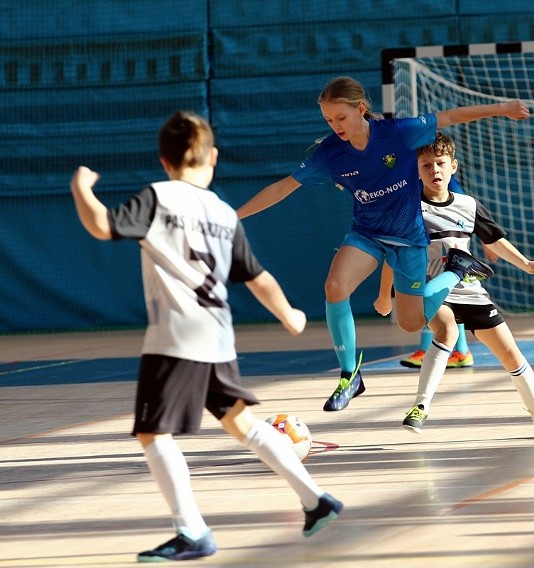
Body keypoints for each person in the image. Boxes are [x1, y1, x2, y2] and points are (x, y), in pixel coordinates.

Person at [69, 111, 342, 562]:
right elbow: (258, 277)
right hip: (216, 335)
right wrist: (289, 313)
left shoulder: (158, 197)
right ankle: (316, 500)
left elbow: (101, 225)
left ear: (164, 160)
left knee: (153, 434)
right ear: (212, 157)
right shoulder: (221, 211)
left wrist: (81, 189)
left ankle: (192, 531)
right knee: (243, 424)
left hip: (176, 336)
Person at [237, 76, 528, 412]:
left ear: (361, 108)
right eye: (328, 120)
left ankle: (455, 270)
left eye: (341, 118)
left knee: (412, 323)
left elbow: (450, 117)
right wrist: (236, 215)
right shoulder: (331, 153)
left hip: (408, 240)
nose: (335, 126)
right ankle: (351, 375)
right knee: (334, 286)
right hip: (367, 234)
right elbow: (283, 187)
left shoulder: (398, 133)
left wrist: (503, 108)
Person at [374, 132, 534, 439]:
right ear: (416, 171)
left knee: (511, 354)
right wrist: (384, 296)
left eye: (440, 163)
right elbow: (392, 256)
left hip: (471, 291)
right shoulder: (408, 210)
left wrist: (526, 264)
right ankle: (419, 407)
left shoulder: (467, 205)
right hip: (433, 289)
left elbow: (494, 240)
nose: (434, 170)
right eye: (426, 165)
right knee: (445, 330)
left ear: (453, 167)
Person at [400, 177, 480, 370]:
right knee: (440, 301)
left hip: (446, 251)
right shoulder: (410, 181)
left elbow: (464, 213)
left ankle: (457, 351)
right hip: (424, 249)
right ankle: (457, 351)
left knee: (439, 297)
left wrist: (488, 242)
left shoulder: (448, 185)